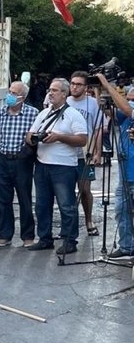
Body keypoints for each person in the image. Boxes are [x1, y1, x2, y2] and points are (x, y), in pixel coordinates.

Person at [27, 78, 88, 255]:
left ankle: (70, 241)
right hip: (42, 164)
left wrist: (59, 137)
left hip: (63, 167)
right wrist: (32, 138)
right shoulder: (44, 113)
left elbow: (82, 139)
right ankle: (45, 238)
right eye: (49, 90)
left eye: (54, 90)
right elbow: (30, 133)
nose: (50, 93)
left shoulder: (73, 115)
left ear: (64, 94)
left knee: (66, 205)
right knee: (42, 205)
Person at [0, 81, 39, 248]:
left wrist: (26, 151)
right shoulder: (0, 113)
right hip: (3, 158)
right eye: (9, 91)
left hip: (22, 160)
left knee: (24, 198)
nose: (9, 96)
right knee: (4, 199)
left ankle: (28, 236)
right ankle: (4, 235)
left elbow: (35, 137)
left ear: (22, 97)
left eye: (14, 93)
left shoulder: (33, 114)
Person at [96, 73, 134, 259]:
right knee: (121, 211)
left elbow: (126, 109)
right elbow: (112, 113)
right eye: (129, 97)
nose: (130, 100)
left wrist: (107, 84)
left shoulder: (130, 110)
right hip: (125, 174)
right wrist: (99, 91)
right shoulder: (128, 114)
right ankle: (126, 246)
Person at [68, 71, 102, 237]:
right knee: (66, 191)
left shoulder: (93, 103)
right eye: (72, 83)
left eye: (78, 84)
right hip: (66, 154)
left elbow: (98, 128)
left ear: (86, 87)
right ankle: (69, 226)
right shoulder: (65, 101)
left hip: (85, 153)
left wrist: (98, 152)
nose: (74, 87)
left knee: (85, 189)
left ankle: (89, 220)